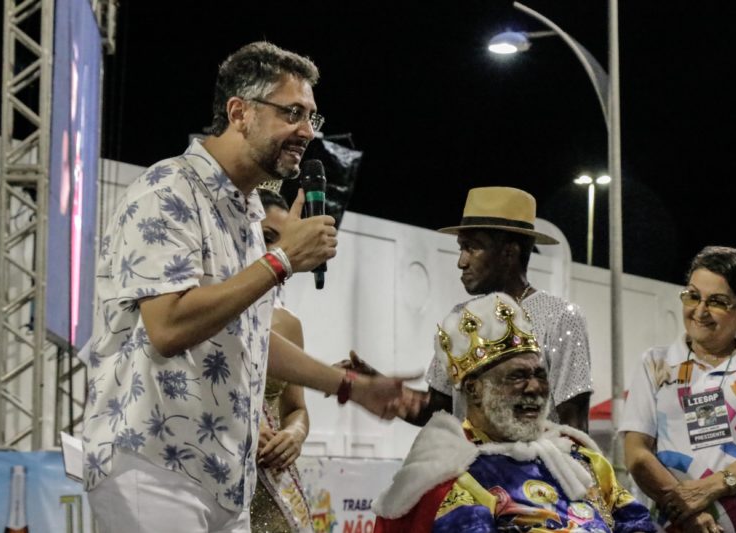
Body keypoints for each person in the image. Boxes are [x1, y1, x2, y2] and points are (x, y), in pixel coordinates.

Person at [82, 41, 423, 533]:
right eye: (292, 113)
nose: (307, 131)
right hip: (155, 464)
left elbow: (249, 335)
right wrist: (282, 259)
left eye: (311, 116)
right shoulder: (167, 189)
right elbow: (168, 327)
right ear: (239, 112)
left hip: (228, 476)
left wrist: (352, 387)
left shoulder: (246, 213)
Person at [373, 292, 655, 532]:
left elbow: (636, 521)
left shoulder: (581, 459)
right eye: (517, 376)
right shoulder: (453, 474)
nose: (535, 387)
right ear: (474, 389)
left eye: (540, 375)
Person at [620, 246, 736, 532]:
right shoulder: (656, 364)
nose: (700, 311)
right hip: (674, 524)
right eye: (692, 296)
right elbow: (637, 452)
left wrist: (711, 487)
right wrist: (686, 511)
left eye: (718, 301)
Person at [418, 186, 593, 431]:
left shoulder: (560, 317)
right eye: (461, 248)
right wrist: (374, 385)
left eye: (472, 247)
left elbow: (574, 427)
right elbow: (435, 410)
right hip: (465, 457)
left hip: (534, 458)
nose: (462, 261)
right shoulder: (459, 317)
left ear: (509, 252)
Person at [250, 188, 313, 531]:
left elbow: (296, 407)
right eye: (268, 237)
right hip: (212, 474)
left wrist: (294, 434)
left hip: (272, 486)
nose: (277, 250)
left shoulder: (289, 325)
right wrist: (242, 425)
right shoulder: (201, 310)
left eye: (283, 240)